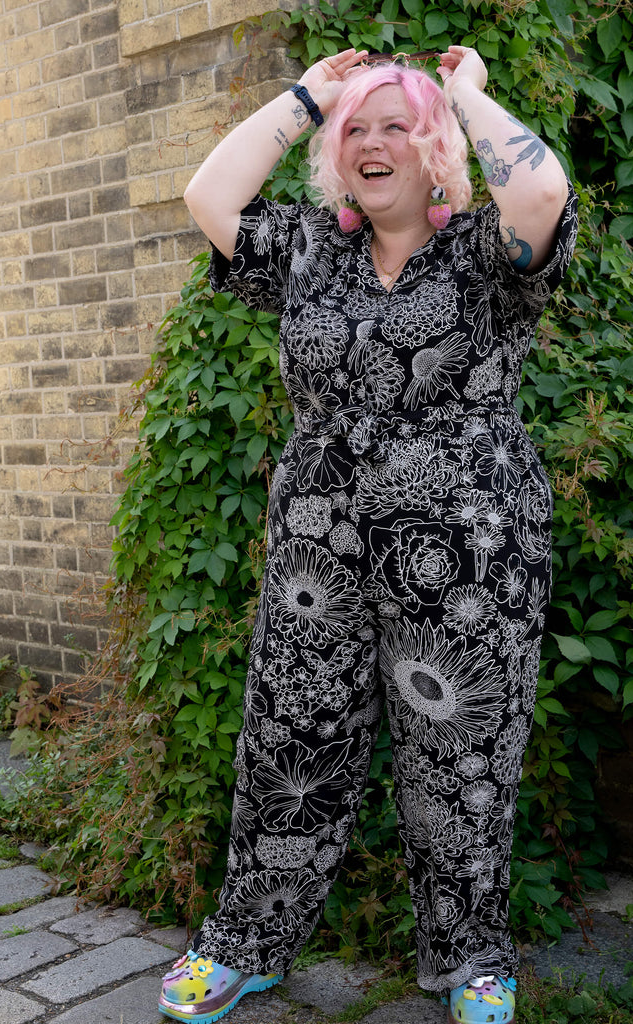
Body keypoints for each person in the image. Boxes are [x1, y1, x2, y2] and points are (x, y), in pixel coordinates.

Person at [159, 44, 577, 1024]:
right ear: (337, 154)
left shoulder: (486, 252)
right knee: (288, 745)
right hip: (320, 557)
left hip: (471, 563)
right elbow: (208, 195)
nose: (376, 141)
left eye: (401, 125)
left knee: (463, 766)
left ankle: (473, 957)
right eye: (360, 129)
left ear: (438, 150)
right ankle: (245, 947)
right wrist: (310, 96)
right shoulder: (308, 250)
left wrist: (465, 95)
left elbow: (545, 189)